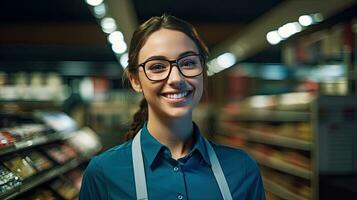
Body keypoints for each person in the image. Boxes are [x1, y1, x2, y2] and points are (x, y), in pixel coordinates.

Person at [79, 14, 265, 200]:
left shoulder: (242, 169)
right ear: (135, 80)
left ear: (203, 72)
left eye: (188, 63)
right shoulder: (103, 174)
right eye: (158, 66)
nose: (176, 79)